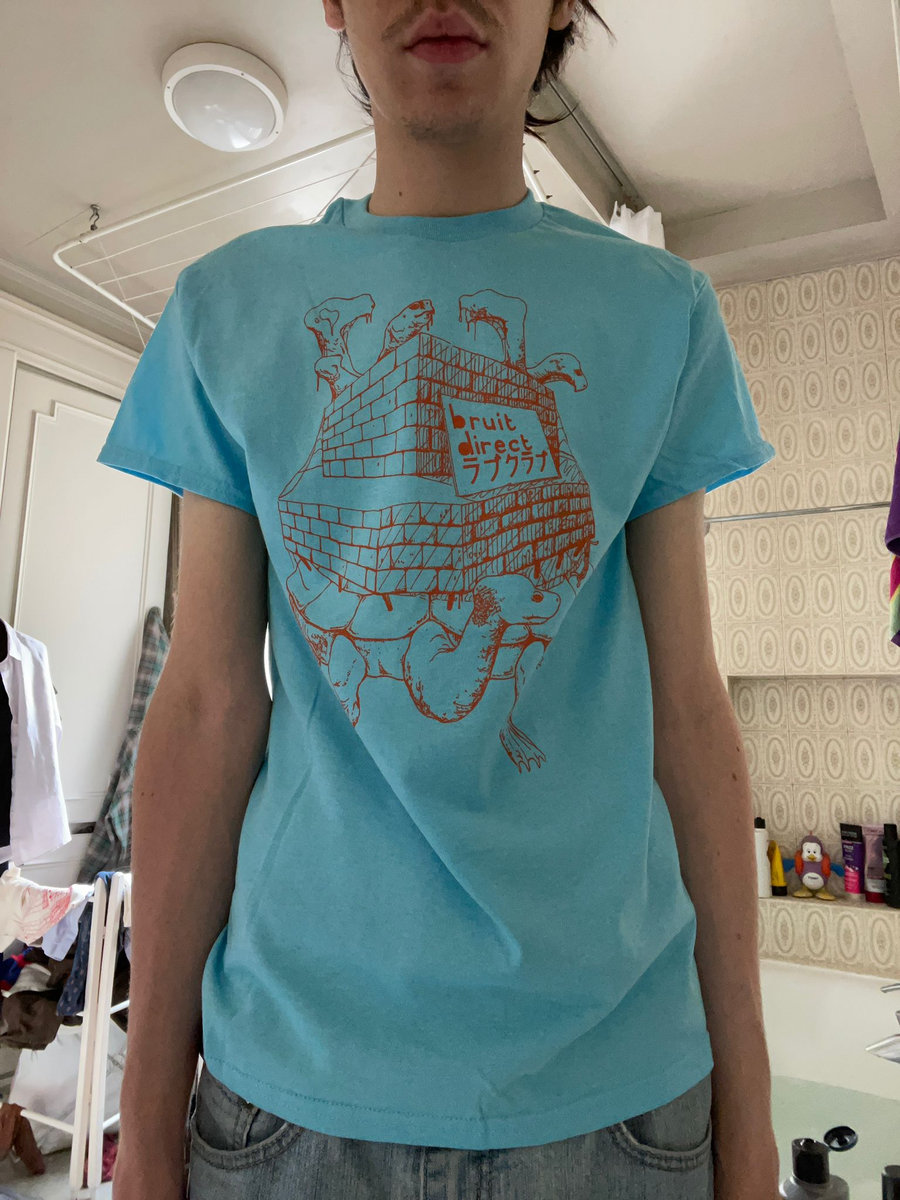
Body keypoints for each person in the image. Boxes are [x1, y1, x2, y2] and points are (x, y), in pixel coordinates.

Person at [103, 3, 780, 1198]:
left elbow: (688, 714)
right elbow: (206, 707)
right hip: (284, 1103)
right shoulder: (224, 309)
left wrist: (753, 1116)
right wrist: (145, 1126)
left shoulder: (663, 313)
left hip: (621, 1103)